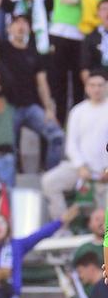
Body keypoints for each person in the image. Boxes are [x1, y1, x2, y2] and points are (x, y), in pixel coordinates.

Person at [0, 0, 66, 173]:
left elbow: (42, 84)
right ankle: (12, 180)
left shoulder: (34, 53)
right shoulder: (2, 47)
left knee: (57, 135)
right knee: (7, 147)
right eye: (16, 23)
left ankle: (52, 175)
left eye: (24, 23)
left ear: (29, 28)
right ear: (9, 28)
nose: (21, 26)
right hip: (7, 108)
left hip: (31, 106)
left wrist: (49, 108)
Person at [35, 0, 106, 121]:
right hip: (58, 32)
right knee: (57, 79)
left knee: (77, 80)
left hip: (80, 32)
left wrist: (79, 0)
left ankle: (76, 120)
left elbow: (98, 1)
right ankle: (59, 120)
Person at [41, 70, 108, 221]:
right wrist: (81, 166)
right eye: (92, 85)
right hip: (79, 169)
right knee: (49, 181)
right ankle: (61, 228)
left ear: (106, 86)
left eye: (100, 85)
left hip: (105, 172)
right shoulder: (78, 111)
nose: (96, 89)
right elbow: (71, 144)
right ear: (86, 87)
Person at [80, 0, 108, 85]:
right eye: (104, 9)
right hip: (99, 86)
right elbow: (85, 68)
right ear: (98, 13)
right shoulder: (90, 37)